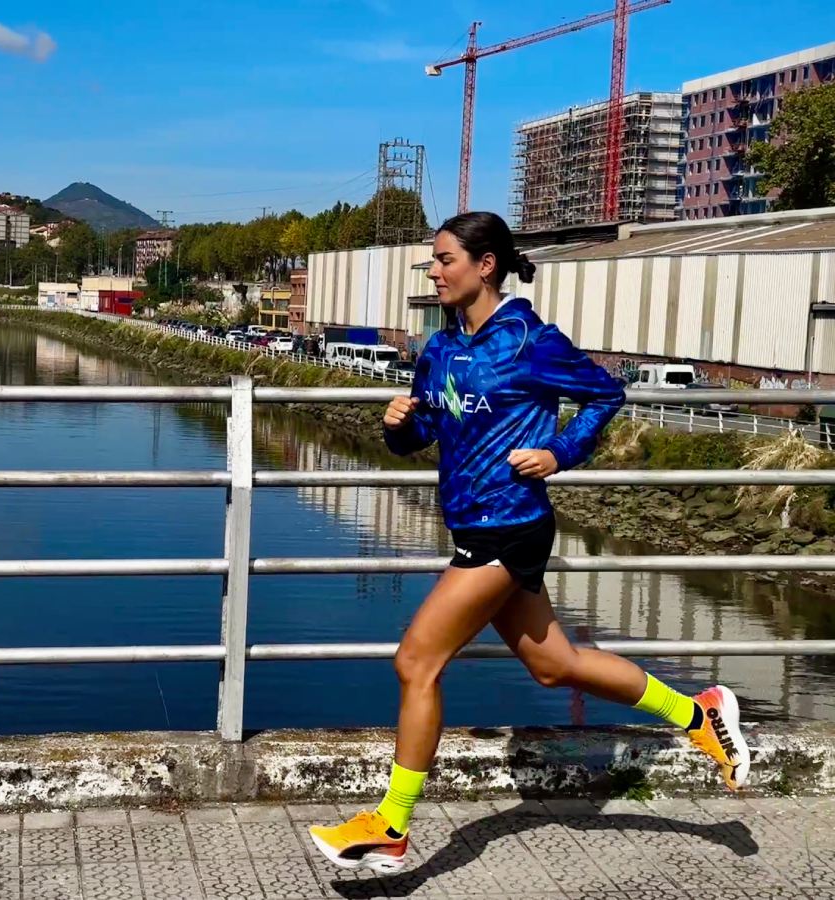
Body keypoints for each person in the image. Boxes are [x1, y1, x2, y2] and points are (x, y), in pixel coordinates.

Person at [309, 212, 749, 875]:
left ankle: (392, 826)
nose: (434, 271)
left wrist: (558, 452)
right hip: (471, 522)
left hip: (509, 525)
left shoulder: (529, 341)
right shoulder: (440, 351)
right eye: (432, 260)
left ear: (485, 265)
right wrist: (398, 424)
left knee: (416, 662)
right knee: (555, 666)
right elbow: (423, 436)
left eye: (444, 259)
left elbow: (606, 394)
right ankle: (699, 714)